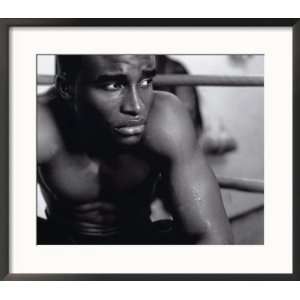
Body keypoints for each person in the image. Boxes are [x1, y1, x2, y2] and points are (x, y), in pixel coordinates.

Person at [37, 55, 233, 245]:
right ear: (66, 88)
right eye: (113, 85)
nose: (136, 106)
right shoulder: (37, 123)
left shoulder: (166, 116)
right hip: (60, 242)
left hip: (137, 240)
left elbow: (213, 238)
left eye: (146, 81)